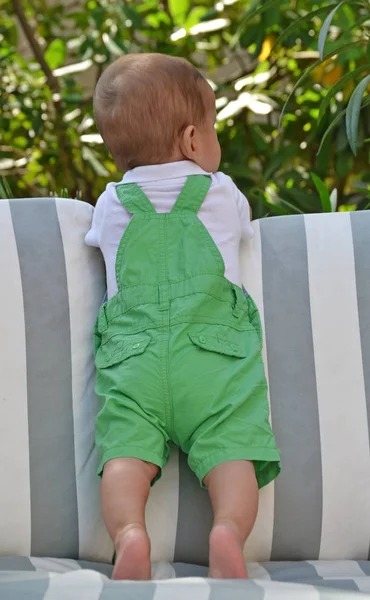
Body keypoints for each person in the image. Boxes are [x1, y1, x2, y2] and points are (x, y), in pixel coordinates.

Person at [86, 53, 280, 581]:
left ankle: (130, 534)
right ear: (194, 140)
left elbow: (95, 242)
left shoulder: (110, 202)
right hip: (213, 356)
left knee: (125, 451)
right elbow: (242, 236)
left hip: (135, 359)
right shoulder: (220, 192)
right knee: (230, 446)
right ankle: (227, 531)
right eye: (213, 129)